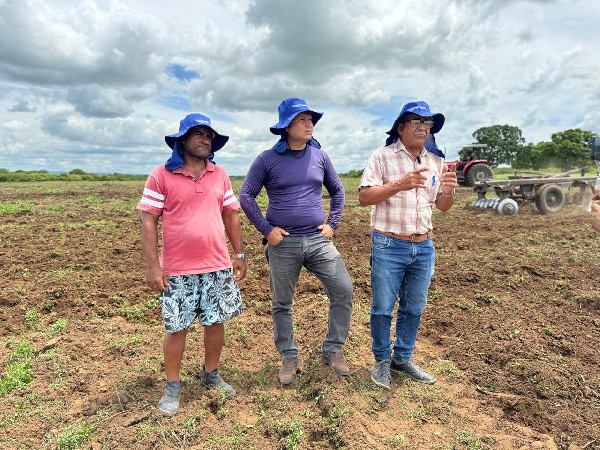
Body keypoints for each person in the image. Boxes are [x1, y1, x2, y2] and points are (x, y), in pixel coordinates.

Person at [137, 113, 246, 416]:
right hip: (177, 270)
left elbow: (231, 215)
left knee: (216, 322)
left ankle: (211, 374)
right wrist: (153, 267)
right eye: (198, 134)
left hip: (216, 264)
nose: (205, 140)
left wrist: (239, 255)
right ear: (182, 139)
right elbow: (148, 222)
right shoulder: (161, 175)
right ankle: (173, 386)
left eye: (209, 135)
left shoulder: (219, 175)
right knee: (177, 327)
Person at [239, 97, 353, 385]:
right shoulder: (267, 159)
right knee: (282, 302)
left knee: (343, 289)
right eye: (302, 120)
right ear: (287, 127)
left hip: (317, 240)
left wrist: (333, 224)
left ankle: (333, 349)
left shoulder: (320, 156)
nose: (308, 123)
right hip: (284, 243)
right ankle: (288, 356)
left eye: (310, 119)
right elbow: (246, 195)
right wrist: (266, 230)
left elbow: (338, 191)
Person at [358, 100, 458, 390]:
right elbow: (364, 197)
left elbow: (442, 206)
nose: (423, 128)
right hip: (388, 243)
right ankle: (382, 361)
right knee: (383, 306)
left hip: (423, 245)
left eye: (427, 123)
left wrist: (448, 192)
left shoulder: (435, 161)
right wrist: (399, 185)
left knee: (414, 306)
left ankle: (402, 358)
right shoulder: (382, 157)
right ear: (400, 128)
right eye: (416, 122)